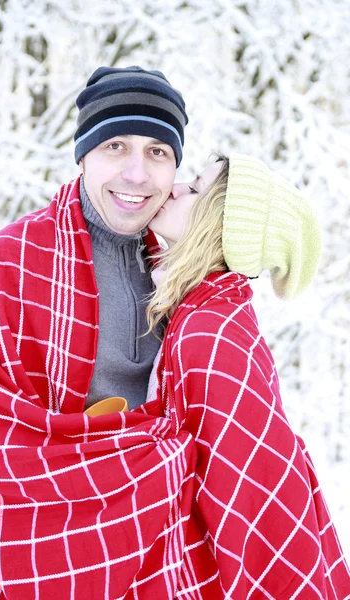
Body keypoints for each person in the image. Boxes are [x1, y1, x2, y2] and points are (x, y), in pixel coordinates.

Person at [0, 65, 189, 598]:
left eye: (158, 152)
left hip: (166, 549)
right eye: (116, 147)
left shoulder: (185, 272)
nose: (136, 174)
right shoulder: (7, 263)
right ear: (83, 154)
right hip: (49, 541)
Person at [144, 152, 350, 598]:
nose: (176, 187)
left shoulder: (211, 334)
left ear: (220, 228)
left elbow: (255, 495)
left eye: (195, 189)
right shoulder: (210, 312)